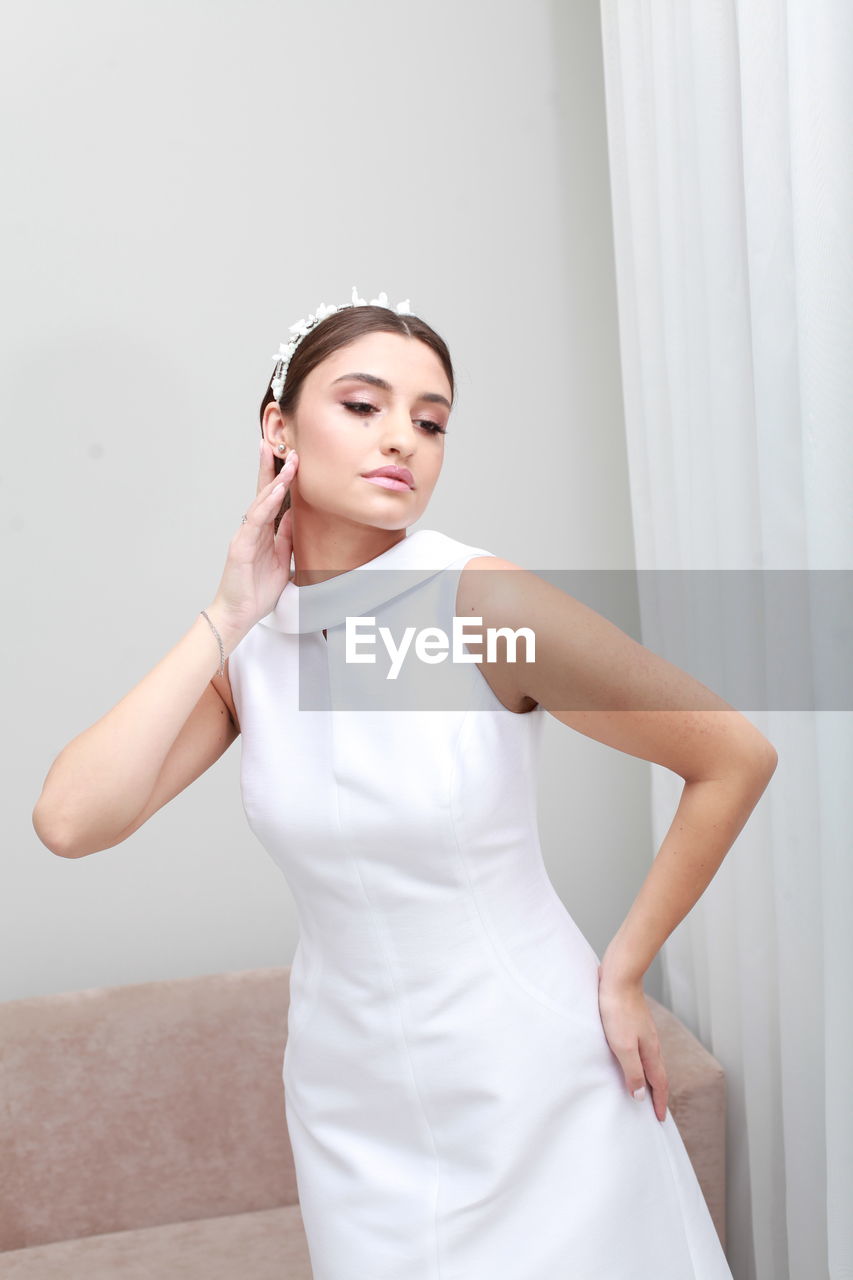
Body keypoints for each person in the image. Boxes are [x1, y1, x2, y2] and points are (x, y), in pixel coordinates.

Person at [33, 286, 776, 1278]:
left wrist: (625, 966)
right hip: (349, 1102)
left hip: (530, 1079)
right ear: (278, 427)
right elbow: (72, 819)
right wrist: (226, 610)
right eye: (363, 404)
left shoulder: (478, 601)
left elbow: (731, 752)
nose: (405, 440)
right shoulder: (252, 646)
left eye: (431, 421)